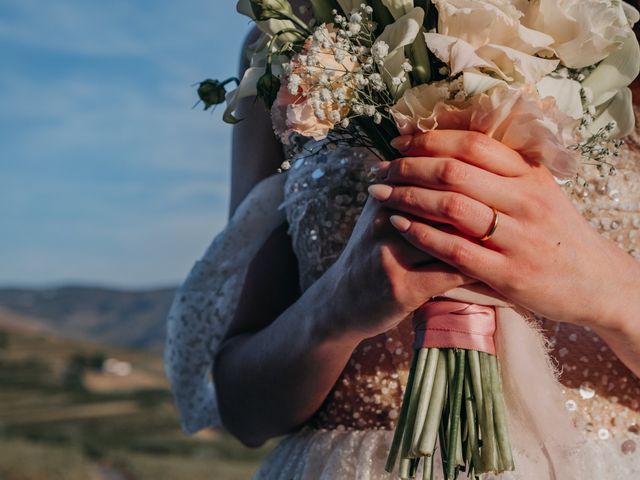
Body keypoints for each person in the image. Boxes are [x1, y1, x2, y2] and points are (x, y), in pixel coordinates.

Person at [165, 1, 640, 477]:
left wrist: (609, 290)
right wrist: (336, 305)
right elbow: (245, 411)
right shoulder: (288, 35)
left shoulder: (609, 29)